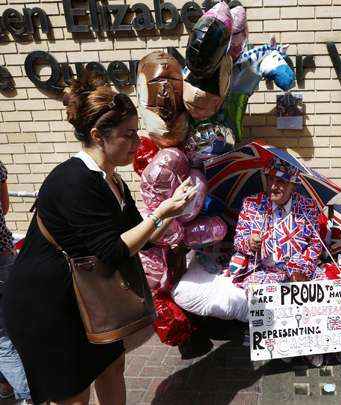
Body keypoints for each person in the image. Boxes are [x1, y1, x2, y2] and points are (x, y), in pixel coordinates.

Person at [2, 75, 197, 405]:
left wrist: (172, 210)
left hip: (88, 299)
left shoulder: (113, 180)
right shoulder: (73, 180)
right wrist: (160, 212)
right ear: (98, 136)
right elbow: (113, 251)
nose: (138, 141)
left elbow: (143, 239)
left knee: (111, 366)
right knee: (75, 396)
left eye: (137, 132)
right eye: (128, 134)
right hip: (48, 305)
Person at [227, 157, 323, 287]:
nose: (272, 186)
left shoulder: (308, 208)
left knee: (325, 289)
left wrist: (301, 270)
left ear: (292, 185)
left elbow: (315, 244)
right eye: (270, 179)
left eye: (280, 181)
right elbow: (238, 241)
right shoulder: (252, 204)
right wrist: (249, 242)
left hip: (297, 271)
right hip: (260, 271)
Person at [0, 162, 31, 404]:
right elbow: (5, 206)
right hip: (4, 254)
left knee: (2, 339)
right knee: (9, 326)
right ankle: (6, 386)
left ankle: (27, 395)